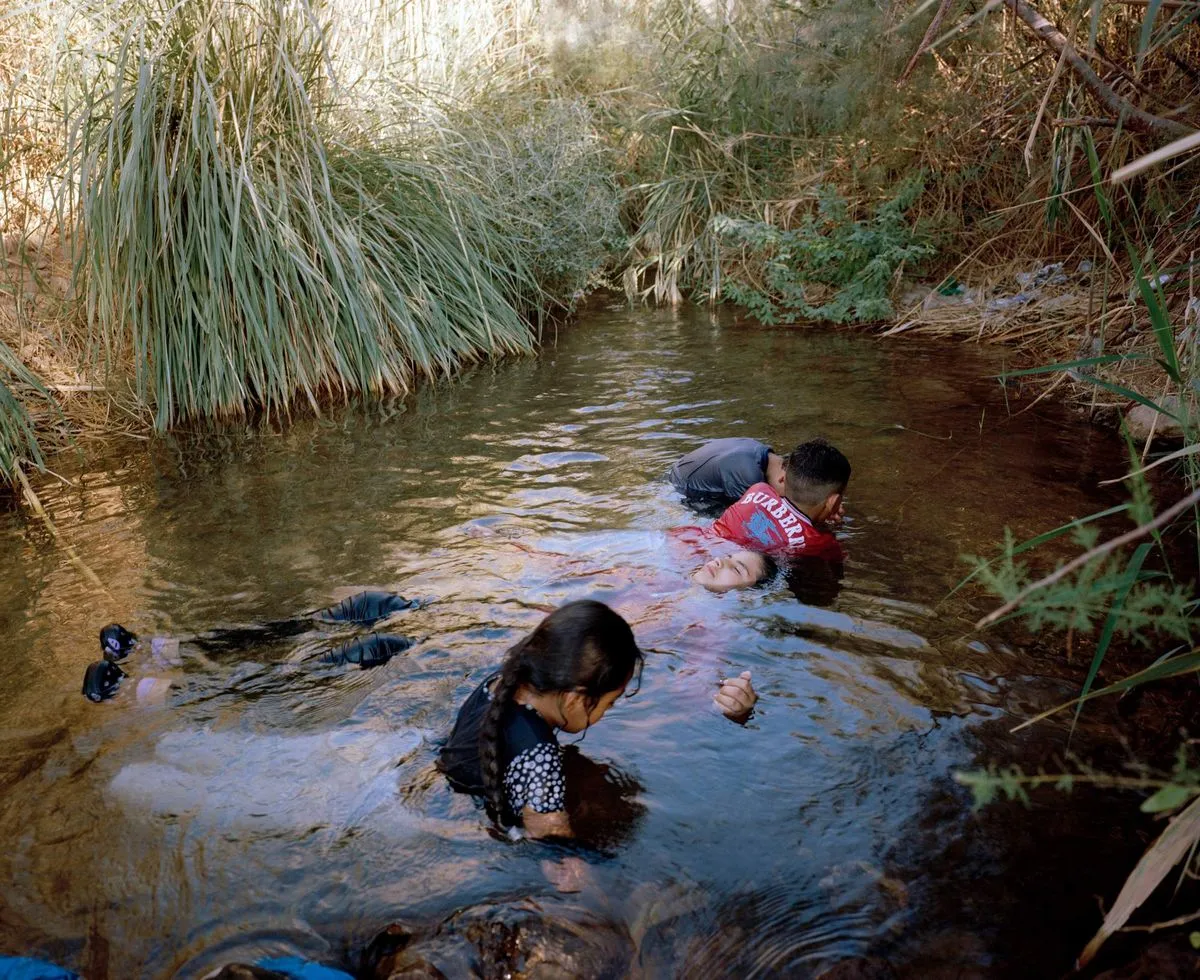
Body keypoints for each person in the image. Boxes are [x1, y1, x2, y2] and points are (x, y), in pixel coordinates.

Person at [437, 600, 756, 839]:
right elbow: (548, 837)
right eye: (609, 703)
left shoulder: (500, 682)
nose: (608, 713)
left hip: (443, 787)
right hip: (463, 821)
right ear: (575, 699)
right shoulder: (539, 758)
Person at [712, 438, 850, 561]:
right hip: (731, 567)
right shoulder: (817, 543)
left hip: (704, 543)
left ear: (783, 478)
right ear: (834, 501)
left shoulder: (758, 489)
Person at [667, 437, 786, 504]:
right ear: (782, 479)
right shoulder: (748, 477)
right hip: (678, 488)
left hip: (686, 467)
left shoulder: (764, 452)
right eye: (787, 499)